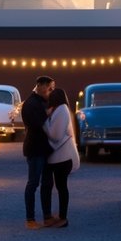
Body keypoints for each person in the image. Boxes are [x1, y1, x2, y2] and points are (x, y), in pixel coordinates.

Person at [21, 75, 56, 229]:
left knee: (48, 183)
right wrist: (47, 114)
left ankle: (47, 216)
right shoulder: (30, 104)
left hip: (46, 149)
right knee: (33, 183)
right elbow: (35, 124)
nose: (50, 91)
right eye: (49, 88)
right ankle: (30, 219)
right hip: (35, 149)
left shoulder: (43, 102)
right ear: (40, 86)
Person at [41, 87, 79, 227]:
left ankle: (63, 217)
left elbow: (55, 135)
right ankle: (61, 216)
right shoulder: (62, 110)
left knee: (61, 187)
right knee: (61, 187)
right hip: (61, 157)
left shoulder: (61, 111)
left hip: (61, 157)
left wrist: (44, 123)